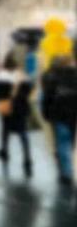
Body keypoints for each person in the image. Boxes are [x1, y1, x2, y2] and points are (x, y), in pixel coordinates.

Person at [0, 54, 33, 177]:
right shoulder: (22, 76)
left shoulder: (0, 76)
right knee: (23, 132)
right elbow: (29, 91)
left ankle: (5, 151)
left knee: (5, 129)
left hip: (7, 107)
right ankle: (27, 158)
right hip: (21, 107)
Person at [42, 55, 77, 186]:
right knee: (69, 143)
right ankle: (66, 168)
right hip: (73, 115)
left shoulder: (54, 77)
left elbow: (47, 97)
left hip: (59, 114)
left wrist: (46, 112)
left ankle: (66, 172)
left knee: (62, 142)